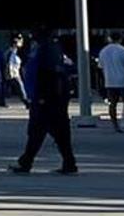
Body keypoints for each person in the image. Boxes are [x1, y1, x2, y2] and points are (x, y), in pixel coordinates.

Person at [12, 30, 78, 175]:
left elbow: (47, 75)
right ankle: (68, 162)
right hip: (54, 99)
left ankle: (26, 162)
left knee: (38, 131)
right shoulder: (53, 50)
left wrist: (41, 97)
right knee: (58, 133)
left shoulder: (45, 51)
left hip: (46, 99)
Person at [98, 34, 124, 133]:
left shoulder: (103, 51)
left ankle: (115, 125)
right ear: (120, 39)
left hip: (110, 81)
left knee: (112, 104)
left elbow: (100, 67)